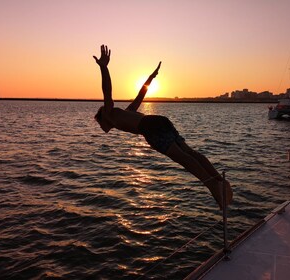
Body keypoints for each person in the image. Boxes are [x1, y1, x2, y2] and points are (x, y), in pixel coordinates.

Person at [93, 45, 232, 210]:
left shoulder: (109, 113)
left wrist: (104, 67)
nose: (102, 128)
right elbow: (141, 94)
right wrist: (151, 78)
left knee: (183, 158)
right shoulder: (127, 112)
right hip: (160, 121)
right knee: (190, 153)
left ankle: (213, 187)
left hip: (150, 128)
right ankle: (220, 181)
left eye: (99, 123)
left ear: (103, 118)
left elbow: (107, 91)